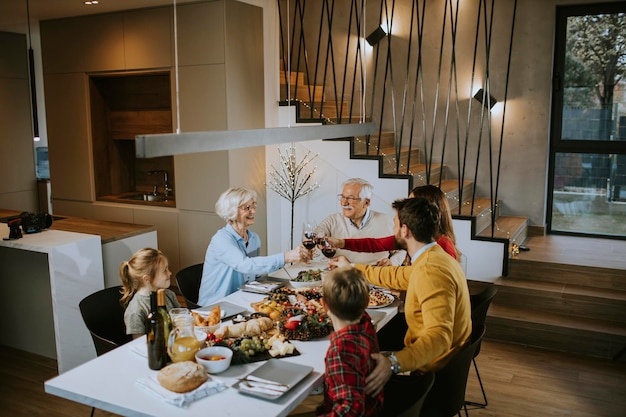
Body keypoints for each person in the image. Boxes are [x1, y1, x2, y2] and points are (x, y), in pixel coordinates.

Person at [329, 197, 472, 416]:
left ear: (405, 230)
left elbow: (439, 337)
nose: (393, 228)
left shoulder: (431, 270)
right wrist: (353, 268)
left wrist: (393, 363)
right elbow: (398, 274)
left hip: (428, 379)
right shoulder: (434, 258)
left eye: (395, 223)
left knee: (347, 374)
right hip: (441, 368)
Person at [198, 187, 312, 306]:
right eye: (247, 208)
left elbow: (255, 272)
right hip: (216, 306)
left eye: (253, 205)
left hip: (241, 298)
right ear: (231, 211)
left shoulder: (253, 239)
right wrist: (286, 257)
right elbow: (245, 265)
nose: (253, 211)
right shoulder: (221, 239)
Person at [326, 184, 460, 262]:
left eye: (410, 203)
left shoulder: (443, 247)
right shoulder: (415, 237)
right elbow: (375, 244)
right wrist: (340, 243)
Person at [316, 266, 384, 417]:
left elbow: (352, 409)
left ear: (324, 305)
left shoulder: (340, 350)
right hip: (373, 407)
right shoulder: (366, 324)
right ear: (366, 302)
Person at [315, 177, 404, 266]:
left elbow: (402, 249)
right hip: (341, 275)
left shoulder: (388, 221)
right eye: (342, 197)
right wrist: (316, 243)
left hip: (375, 275)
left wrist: (392, 262)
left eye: (351, 198)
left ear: (366, 202)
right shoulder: (332, 221)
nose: (344, 203)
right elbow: (316, 235)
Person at [120, 247, 181, 339]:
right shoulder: (136, 311)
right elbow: (140, 344)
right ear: (146, 279)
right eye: (165, 271)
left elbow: (181, 320)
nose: (170, 273)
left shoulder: (169, 294)